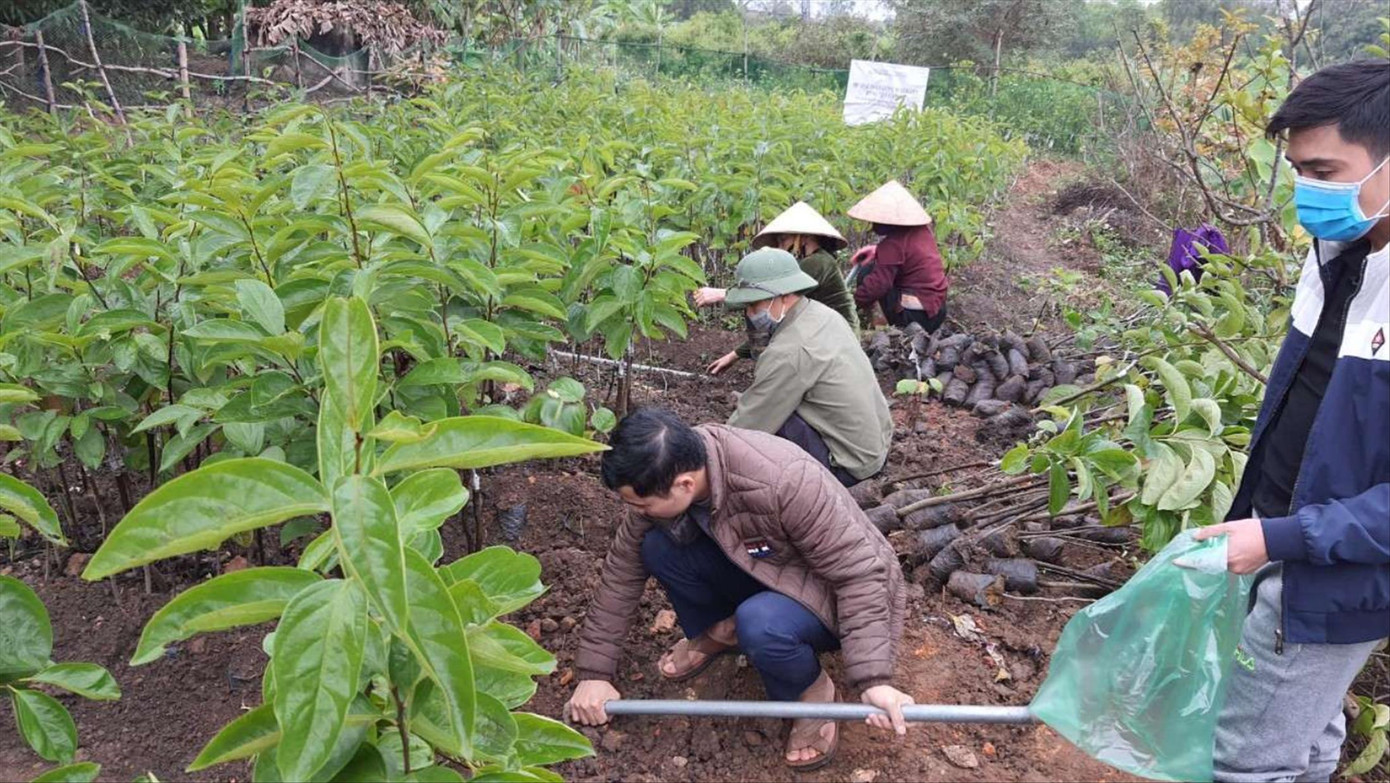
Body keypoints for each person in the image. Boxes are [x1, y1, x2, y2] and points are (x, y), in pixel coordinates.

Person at [1192, 59, 1389, 783]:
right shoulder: (1343, 253)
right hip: (1287, 544)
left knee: (1243, 762)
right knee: (1305, 742)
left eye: (1326, 169)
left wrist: (1281, 536)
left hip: (1331, 571)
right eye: (1300, 170)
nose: (1309, 191)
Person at [565, 408, 912, 771]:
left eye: (642, 504)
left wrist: (874, 680)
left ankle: (813, 693)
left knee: (760, 623)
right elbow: (622, 571)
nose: (636, 511)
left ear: (684, 484)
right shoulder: (666, 468)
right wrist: (594, 674)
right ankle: (718, 632)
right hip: (764, 563)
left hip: (831, 591)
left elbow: (858, 575)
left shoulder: (783, 479)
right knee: (655, 547)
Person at [719, 247, 892, 487]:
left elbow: (745, 429)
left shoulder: (790, 351)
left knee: (762, 436)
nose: (749, 313)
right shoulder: (824, 315)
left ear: (783, 295)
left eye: (753, 304)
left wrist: (706, 453)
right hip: (875, 449)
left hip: (847, 467)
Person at [696, 201, 858, 375]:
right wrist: (734, 355)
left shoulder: (818, 262)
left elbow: (770, 297)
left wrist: (722, 294)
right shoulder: (813, 261)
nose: (780, 247)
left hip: (838, 339)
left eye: (783, 240)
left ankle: (772, 378)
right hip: (824, 333)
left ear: (803, 237)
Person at [846, 180, 949, 333]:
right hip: (937, 311)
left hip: (916, 317)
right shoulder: (922, 231)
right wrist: (876, 251)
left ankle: (884, 329)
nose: (873, 225)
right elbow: (908, 252)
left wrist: (849, 305)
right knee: (874, 272)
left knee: (867, 274)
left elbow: (877, 287)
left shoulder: (892, 245)